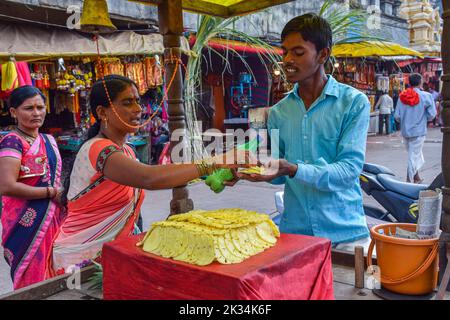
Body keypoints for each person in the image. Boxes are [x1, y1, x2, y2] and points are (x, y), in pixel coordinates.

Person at [53, 75, 248, 273]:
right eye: (127, 103)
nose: (138, 109)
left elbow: (159, 175)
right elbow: (150, 178)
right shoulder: (98, 149)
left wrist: (214, 175)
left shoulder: (126, 150)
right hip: (79, 262)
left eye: (137, 101)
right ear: (103, 112)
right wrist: (215, 162)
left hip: (110, 254)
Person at [237, 14, 372, 252]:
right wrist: (252, 168)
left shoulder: (354, 103)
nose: (288, 60)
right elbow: (279, 173)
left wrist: (293, 168)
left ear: (322, 54)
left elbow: (349, 171)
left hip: (346, 236)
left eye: (298, 53)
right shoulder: (278, 112)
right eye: (285, 52)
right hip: (295, 236)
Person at [0, 86, 64, 289]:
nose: (36, 113)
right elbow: (6, 185)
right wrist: (51, 192)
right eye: (29, 108)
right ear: (13, 112)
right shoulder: (12, 141)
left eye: (40, 107)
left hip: (54, 217)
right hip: (24, 221)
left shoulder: (49, 140)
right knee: (33, 278)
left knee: (57, 272)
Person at [394, 74, 436, 184]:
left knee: (414, 154)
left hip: (405, 132)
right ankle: (409, 179)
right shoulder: (426, 96)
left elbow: (397, 117)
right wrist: (422, 116)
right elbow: (432, 115)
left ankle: (416, 177)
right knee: (414, 155)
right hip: (419, 131)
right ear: (420, 82)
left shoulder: (402, 96)